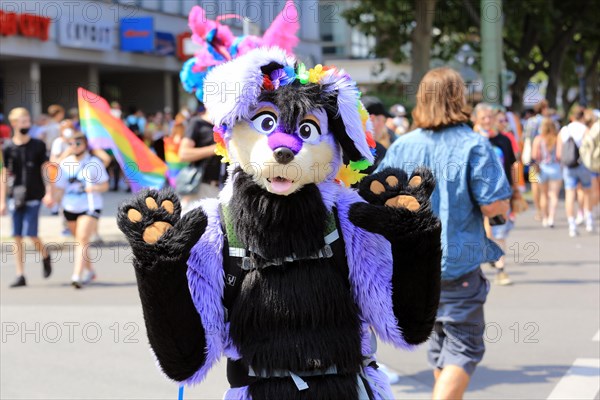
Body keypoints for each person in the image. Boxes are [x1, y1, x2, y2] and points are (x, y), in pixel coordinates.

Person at [377, 67, 511, 399]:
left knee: (438, 347)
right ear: (459, 98)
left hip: (409, 268)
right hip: (457, 264)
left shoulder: (401, 146)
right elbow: (496, 206)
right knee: (464, 348)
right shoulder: (473, 146)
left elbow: (378, 198)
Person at [1, 107, 54, 288]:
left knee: (31, 234)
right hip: (16, 195)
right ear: (14, 123)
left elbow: (46, 169)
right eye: (23, 122)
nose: (27, 125)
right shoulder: (7, 146)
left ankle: (45, 255)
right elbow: (4, 174)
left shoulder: (38, 145)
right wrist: (1, 201)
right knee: (16, 236)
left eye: (28, 121)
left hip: (35, 194)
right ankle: (20, 274)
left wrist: (49, 192)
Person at [52, 132, 109, 288]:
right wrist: (52, 200)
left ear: (85, 145)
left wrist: (94, 188)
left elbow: (105, 185)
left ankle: (77, 275)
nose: (75, 146)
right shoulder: (65, 163)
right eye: (71, 143)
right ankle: (90, 271)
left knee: (83, 238)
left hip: (90, 206)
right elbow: (59, 187)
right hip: (70, 206)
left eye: (78, 143)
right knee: (80, 241)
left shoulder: (94, 162)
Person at [474, 103, 521, 286]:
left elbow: (513, 165)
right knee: (480, 232)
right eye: (483, 118)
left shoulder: (504, 140)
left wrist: (516, 188)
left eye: (489, 117)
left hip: (500, 193)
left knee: (500, 230)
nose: (487, 121)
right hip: (475, 195)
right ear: (477, 120)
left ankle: (501, 269)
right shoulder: (471, 140)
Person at [557, 106, 594, 236]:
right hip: (583, 164)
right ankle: (588, 219)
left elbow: (558, 153)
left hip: (568, 166)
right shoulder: (585, 129)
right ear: (583, 117)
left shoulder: (564, 130)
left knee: (570, 194)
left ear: (572, 116)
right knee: (587, 191)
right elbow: (590, 148)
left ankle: (571, 224)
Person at [177, 103, 220, 209]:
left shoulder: (226, 125)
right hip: (202, 187)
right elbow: (183, 154)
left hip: (225, 188)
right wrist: (216, 148)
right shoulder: (197, 123)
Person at [532, 117, 563, 228]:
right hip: (555, 168)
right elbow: (559, 155)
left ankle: (544, 217)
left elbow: (534, 156)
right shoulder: (557, 138)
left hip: (542, 168)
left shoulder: (538, 139)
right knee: (554, 195)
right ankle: (551, 218)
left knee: (543, 195)